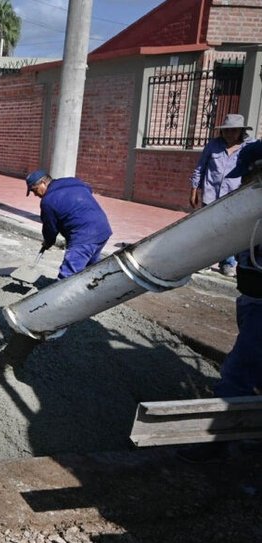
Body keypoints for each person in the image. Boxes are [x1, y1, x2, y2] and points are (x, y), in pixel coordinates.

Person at [178, 141, 262, 463]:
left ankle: (212, 441)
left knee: (238, 372)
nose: (242, 184)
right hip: (251, 300)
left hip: (260, 307)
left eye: (249, 176)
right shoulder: (251, 210)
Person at [189, 113, 255, 277]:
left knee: (230, 232)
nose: (229, 133)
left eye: (234, 130)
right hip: (210, 196)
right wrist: (194, 189)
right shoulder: (213, 145)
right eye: (226, 130)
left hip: (235, 197)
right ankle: (203, 261)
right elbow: (200, 167)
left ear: (241, 131)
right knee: (208, 230)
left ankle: (227, 262)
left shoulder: (250, 146)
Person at [24, 169, 112, 279]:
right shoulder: (73, 181)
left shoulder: (47, 201)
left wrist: (48, 242)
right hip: (103, 229)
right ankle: (98, 290)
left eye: (34, 190)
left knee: (67, 276)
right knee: (91, 269)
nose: (35, 194)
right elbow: (88, 189)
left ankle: (60, 296)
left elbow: (50, 228)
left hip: (84, 237)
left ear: (43, 183)